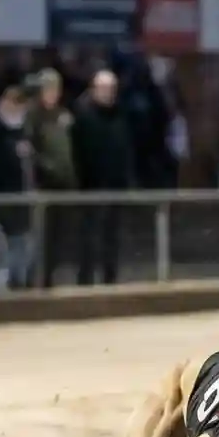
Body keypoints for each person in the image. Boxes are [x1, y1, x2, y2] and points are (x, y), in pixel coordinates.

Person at [69, 69, 133, 285]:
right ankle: (85, 280)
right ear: (94, 89)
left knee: (111, 237)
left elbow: (125, 149)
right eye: (104, 88)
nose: (109, 93)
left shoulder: (120, 115)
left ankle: (110, 278)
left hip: (115, 185)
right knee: (90, 238)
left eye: (112, 89)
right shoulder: (83, 115)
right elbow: (78, 152)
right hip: (90, 186)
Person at [0, 82, 39, 291]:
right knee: (0, 252)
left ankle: (17, 286)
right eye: (15, 103)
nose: (19, 108)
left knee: (21, 248)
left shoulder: (22, 130)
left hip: (22, 198)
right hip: (0, 199)